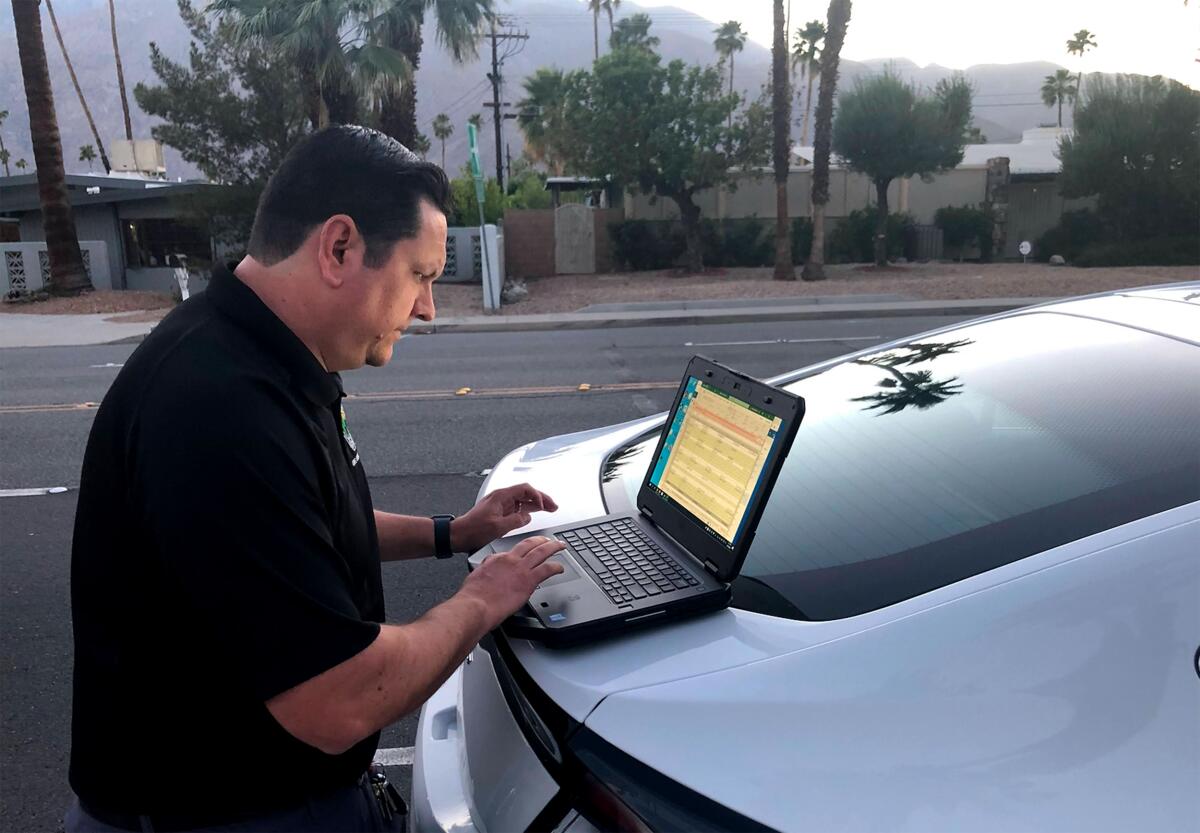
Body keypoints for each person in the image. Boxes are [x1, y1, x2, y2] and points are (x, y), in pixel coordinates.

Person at [65, 125, 565, 832]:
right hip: (220, 815)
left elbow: (304, 530)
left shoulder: (258, 356)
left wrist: (457, 532)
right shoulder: (220, 407)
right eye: (420, 275)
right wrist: (484, 598)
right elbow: (339, 698)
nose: (427, 308)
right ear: (339, 248)